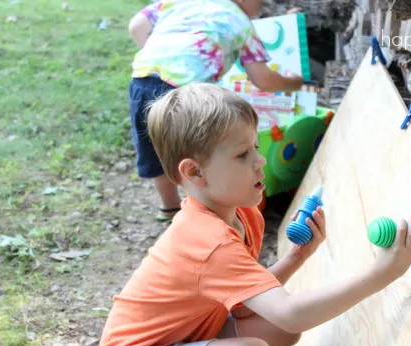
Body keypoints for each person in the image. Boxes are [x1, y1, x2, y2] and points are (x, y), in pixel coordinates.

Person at [91, 83, 411, 346]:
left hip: (182, 340)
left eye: (255, 146)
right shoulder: (209, 242)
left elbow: (244, 304)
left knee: (279, 333)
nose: (260, 161)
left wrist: (297, 257)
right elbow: (291, 314)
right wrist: (383, 274)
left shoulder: (242, 213)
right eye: (243, 155)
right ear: (195, 173)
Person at [126, 0, 304, 222]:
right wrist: (293, 83)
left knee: (155, 148)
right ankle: (206, 211)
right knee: (203, 154)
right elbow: (264, 79)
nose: (263, 5)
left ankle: (169, 207)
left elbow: (137, 26)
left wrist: (163, 56)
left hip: (143, 81)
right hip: (189, 94)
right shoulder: (242, 23)